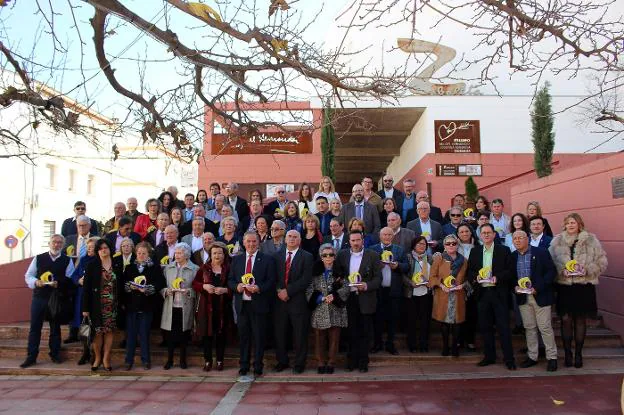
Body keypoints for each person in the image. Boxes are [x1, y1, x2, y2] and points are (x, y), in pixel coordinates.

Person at [549, 213, 608, 368]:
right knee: (566, 320)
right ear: (564, 225)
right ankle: (568, 354)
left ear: (579, 224)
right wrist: (562, 271)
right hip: (565, 287)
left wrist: (587, 270)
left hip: (583, 287)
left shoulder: (591, 240)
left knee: (580, 320)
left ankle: (578, 354)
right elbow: (550, 263)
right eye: (568, 223)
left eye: (573, 222)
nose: (570, 225)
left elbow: (602, 262)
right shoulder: (557, 241)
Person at [20, 234, 74, 368]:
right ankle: (31, 356)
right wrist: (36, 281)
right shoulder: (39, 258)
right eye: (54, 242)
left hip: (56, 298)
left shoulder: (67, 260)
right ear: (49, 243)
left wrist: (59, 283)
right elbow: (29, 275)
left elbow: (70, 278)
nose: (57, 245)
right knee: (35, 328)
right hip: (40, 297)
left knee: (55, 328)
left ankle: (55, 354)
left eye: (60, 243)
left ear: (63, 245)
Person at [467, 223, 516, 370]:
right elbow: (470, 271)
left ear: (494, 235)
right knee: (485, 327)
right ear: (480, 236)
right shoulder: (475, 251)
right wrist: (476, 278)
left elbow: (510, 271)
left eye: (489, 232)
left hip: (499, 293)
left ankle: (509, 359)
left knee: (503, 328)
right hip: (482, 294)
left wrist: (497, 278)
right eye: (484, 233)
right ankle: (489, 357)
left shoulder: (504, 250)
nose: (486, 235)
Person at [229, 232, 277, 377]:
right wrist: (236, 286)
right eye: (248, 241)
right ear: (243, 243)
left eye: (254, 241)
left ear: (258, 243)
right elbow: (230, 280)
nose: (251, 244)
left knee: (259, 336)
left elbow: (271, 280)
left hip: (259, 304)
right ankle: (243, 365)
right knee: (244, 337)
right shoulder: (237, 260)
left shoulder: (267, 259)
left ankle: (258, 365)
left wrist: (259, 288)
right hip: (242, 305)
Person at [334, 231, 381, 372]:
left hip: (366, 297)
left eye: (358, 240)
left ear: (363, 240)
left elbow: (378, 278)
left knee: (365, 332)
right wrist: (340, 280)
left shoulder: (372, 255)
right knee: (350, 332)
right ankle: (351, 361)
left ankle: (363, 363)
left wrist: (367, 285)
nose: (355, 243)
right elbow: (337, 275)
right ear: (349, 241)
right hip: (348, 298)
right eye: (353, 240)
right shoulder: (342, 255)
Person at [511, 231, 558, 371]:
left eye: (520, 238)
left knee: (545, 327)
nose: (517, 240)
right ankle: (532, 356)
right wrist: (514, 286)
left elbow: (551, 272)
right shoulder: (513, 256)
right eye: (515, 238)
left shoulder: (541, 252)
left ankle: (552, 357)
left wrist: (538, 287)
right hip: (523, 297)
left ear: (528, 239)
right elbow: (511, 276)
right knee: (529, 327)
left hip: (540, 296)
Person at [273, 230, 314, 374]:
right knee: (280, 333)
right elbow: (274, 277)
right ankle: (282, 361)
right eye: (289, 236)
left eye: (295, 237)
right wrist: (279, 290)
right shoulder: (276, 256)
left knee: (300, 334)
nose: (292, 239)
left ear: (300, 240)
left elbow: (306, 279)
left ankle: (299, 363)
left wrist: (288, 291)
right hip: (279, 301)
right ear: (285, 239)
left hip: (298, 301)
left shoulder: (307, 257)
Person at [122, 242, 165, 370]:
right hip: (132, 306)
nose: (141, 255)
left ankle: (146, 360)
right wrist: (130, 286)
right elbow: (124, 283)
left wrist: (148, 289)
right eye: (139, 253)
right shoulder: (129, 267)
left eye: (144, 253)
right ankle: (128, 361)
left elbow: (160, 283)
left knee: (144, 334)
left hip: (147, 306)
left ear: (148, 254)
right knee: (131, 335)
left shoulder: (155, 268)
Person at [306, 244, 349, 374]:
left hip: (336, 308)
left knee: (334, 338)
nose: (328, 257)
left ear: (335, 256)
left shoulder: (340, 271)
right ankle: (320, 362)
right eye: (325, 255)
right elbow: (309, 288)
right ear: (321, 257)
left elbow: (346, 287)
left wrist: (334, 296)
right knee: (319, 337)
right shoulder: (314, 271)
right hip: (320, 308)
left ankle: (331, 362)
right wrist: (320, 298)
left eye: (331, 254)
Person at [193, 242, 232, 372]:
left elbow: (234, 287)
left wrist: (225, 290)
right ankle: (208, 361)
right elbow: (194, 283)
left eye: (220, 253)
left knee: (221, 335)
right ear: (210, 254)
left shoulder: (229, 269)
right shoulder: (204, 268)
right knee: (207, 336)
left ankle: (220, 361)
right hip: (206, 308)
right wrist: (204, 286)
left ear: (224, 254)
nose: (217, 255)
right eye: (214, 253)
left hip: (223, 307)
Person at [370, 227, 409, 355]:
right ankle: (377, 343)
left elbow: (406, 267)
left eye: (389, 235)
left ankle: (390, 344)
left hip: (394, 290)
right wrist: (378, 266)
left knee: (393, 318)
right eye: (384, 234)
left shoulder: (399, 249)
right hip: (378, 290)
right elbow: (367, 268)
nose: (387, 237)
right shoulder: (373, 249)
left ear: (393, 236)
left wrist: (397, 265)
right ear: (380, 236)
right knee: (377, 318)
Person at [82, 239, 118, 372]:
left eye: (106, 247)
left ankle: (106, 358)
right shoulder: (92, 265)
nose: (104, 250)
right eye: (101, 248)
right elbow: (86, 289)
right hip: (96, 305)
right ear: (97, 251)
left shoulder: (117, 264)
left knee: (109, 331)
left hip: (112, 305)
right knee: (97, 333)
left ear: (110, 249)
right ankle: (97, 358)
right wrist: (85, 308)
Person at [429, 234, 468, 357]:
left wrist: (463, 285)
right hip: (443, 294)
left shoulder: (464, 260)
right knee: (444, 323)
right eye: (448, 243)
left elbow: (468, 278)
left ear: (457, 245)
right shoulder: (439, 259)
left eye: (453, 243)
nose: (451, 245)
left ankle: (455, 347)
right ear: (444, 246)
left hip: (458, 294)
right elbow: (432, 277)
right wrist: (441, 285)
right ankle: (445, 346)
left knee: (457, 322)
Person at [161, 243, 198, 369]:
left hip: (185, 305)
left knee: (184, 335)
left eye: (180, 253)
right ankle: (169, 360)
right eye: (175, 253)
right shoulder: (168, 268)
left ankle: (183, 360)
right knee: (170, 335)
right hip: (170, 305)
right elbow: (162, 287)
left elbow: (197, 290)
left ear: (187, 255)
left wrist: (189, 291)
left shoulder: (194, 269)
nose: (177, 255)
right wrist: (166, 291)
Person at [63, 215, 94, 344]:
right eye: (79, 225)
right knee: (73, 307)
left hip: (89, 285)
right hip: (72, 276)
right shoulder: (69, 239)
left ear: (89, 226)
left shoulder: (95, 240)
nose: (81, 228)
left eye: (84, 225)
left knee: (84, 311)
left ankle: (86, 339)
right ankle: (72, 333)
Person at [70, 236, 99, 365]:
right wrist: (78, 280)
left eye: (92, 247)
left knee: (95, 326)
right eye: (88, 247)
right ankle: (85, 351)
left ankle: (95, 353)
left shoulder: (99, 261)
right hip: (83, 296)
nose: (89, 249)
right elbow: (74, 275)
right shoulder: (83, 260)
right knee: (84, 325)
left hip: (95, 296)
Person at [403, 236, 432, 353]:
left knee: (425, 321)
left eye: (424, 244)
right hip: (411, 293)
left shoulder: (430, 258)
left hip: (426, 293)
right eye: (419, 244)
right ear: (414, 245)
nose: (422, 246)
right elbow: (403, 275)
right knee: (411, 320)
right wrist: (411, 283)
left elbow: (435, 274)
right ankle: (412, 345)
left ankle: (424, 344)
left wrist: (430, 282)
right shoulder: (408, 257)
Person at [456, 224, 479, 351]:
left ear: (471, 232)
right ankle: (458, 340)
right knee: (459, 313)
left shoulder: (477, 246)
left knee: (472, 313)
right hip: (458, 284)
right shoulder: (453, 246)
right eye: (461, 232)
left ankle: (470, 340)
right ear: (457, 234)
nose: (464, 233)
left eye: (466, 231)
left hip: (473, 284)